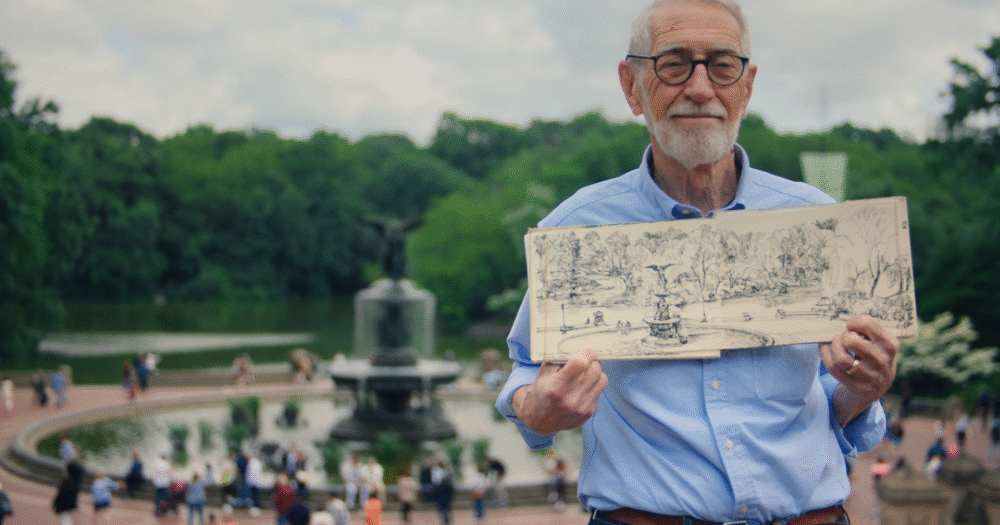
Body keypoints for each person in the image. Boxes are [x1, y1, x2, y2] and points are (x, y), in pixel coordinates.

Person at [495, 2, 899, 524]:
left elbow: (829, 399)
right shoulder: (577, 229)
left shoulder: (816, 221)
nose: (701, 88)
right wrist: (537, 408)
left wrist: (863, 388)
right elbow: (526, 373)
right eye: (674, 64)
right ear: (631, 85)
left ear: (747, 85)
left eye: (723, 65)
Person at [53, 460, 85, 525]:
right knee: (67, 518)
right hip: (70, 505)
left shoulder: (68, 481)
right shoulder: (77, 481)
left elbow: (61, 494)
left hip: (64, 505)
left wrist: (55, 503)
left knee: (64, 519)